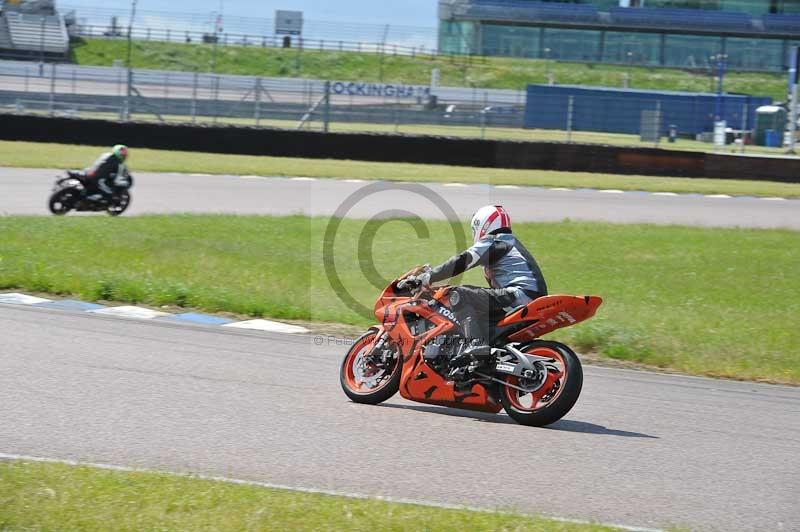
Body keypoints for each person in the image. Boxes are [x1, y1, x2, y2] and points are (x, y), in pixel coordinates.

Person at [403, 204, 548, 365]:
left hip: (520, 296)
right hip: (526, 298)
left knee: (457, 294)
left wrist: (428, 277)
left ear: (483, 225)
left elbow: (463, 260)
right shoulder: (508, 243)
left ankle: (476, 345)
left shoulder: (496, 240)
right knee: (477, 309)